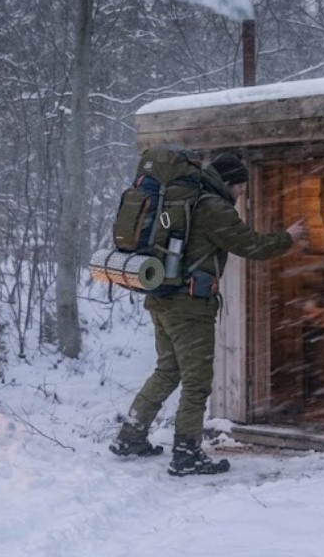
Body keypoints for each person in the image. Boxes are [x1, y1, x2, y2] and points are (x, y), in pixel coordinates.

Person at [109, 151, 308, 476]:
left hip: (161, 297)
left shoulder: (190, 202)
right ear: (228, 182)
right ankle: (186, 454)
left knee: (167, 371)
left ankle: (130, 436)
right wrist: (288, 237)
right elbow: (252, 245)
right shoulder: (212, 208)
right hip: (190, 306)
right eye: (241, 186)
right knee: (197, 382)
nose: (243, 193)